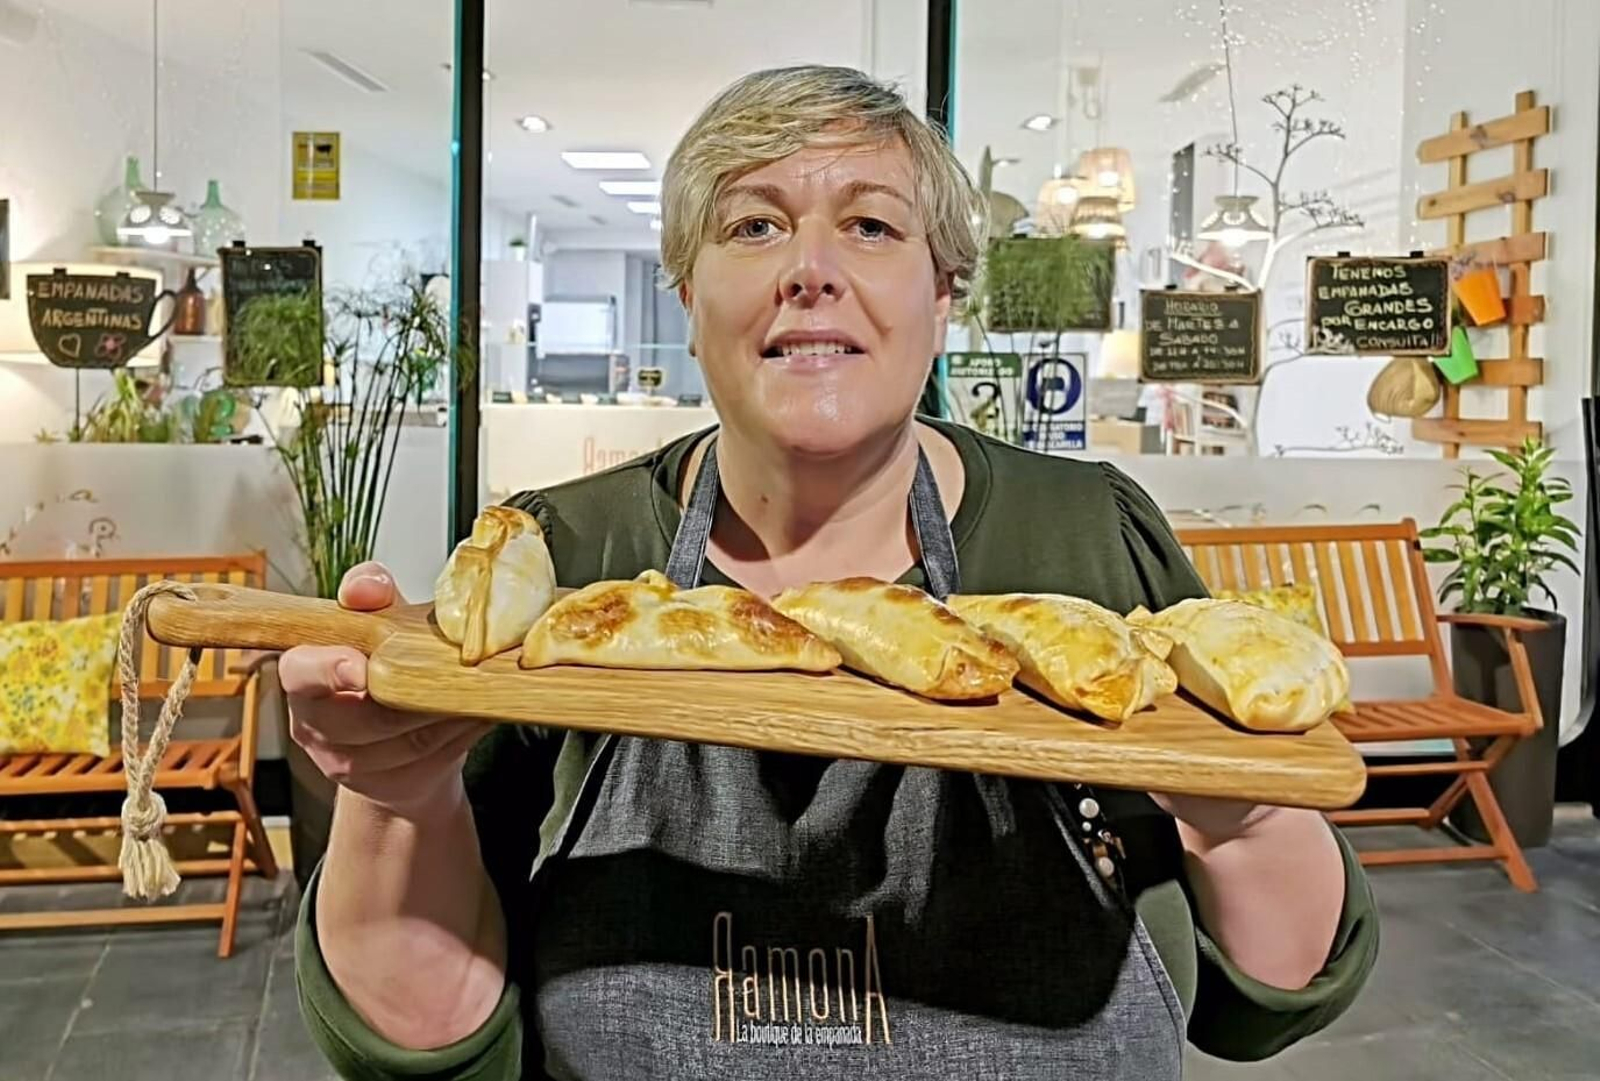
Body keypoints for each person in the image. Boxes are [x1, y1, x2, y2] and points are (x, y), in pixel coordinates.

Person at [285, 65, 1378, 1080]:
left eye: (869, 223)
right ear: (687, 288)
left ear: (942, 291)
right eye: (753, 225)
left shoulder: (1085, 540)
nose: (810, 270)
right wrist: (395, 794)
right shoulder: (563, 570)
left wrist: (1238, 815)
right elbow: (429, 1036)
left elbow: (1271, 985)